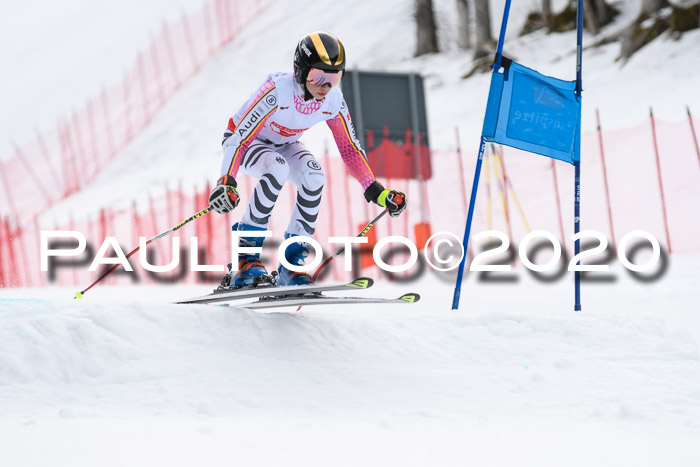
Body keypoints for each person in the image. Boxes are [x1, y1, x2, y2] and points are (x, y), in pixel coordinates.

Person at [208, 31, 406, 287]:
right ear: (301, 71)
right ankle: (246, 261)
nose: (325, 85)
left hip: (285, 145)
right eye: (318, 76)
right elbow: (239, 138)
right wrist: (227, 180)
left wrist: (377, 190)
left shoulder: (333, 101)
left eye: (333, 77)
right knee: (277, 168)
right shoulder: (277, 90)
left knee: (314, 175)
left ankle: (291, 266)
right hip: (245, 143)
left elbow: (349, 147)